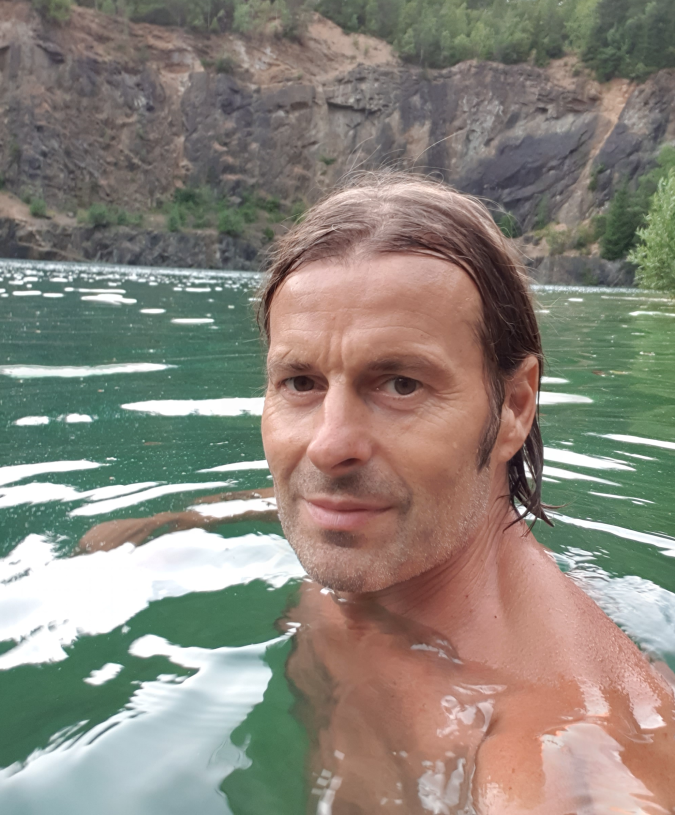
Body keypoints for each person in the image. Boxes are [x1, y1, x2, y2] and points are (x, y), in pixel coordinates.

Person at [80, 175, 675, 813]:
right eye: (300, 382)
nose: (327, 446)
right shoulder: (389, 527)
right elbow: (310, 490)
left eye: (400, 385)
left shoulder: (554, 758)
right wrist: (187, 518)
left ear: (513, 408)